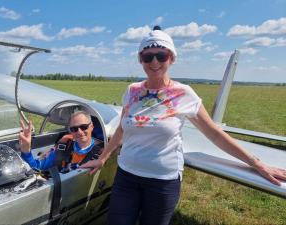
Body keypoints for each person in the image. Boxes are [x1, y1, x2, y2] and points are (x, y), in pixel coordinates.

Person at [80, 26, 286, 225]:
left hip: (162, 182)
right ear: (140, 59)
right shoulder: (132, 90)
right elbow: (122, 128)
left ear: (172, 58)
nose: (154, 62)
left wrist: (256, 163)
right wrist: (102, 158)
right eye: (147, 56)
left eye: (161, 56)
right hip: (126, 176)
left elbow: (214, 134)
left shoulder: (184, 94)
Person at [18, 111, 103, 172]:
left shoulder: (102, 153)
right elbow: (36, 167)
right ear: (70, 131)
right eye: (74, 129)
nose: (79, 132)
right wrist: (26, 150)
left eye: (84, 127)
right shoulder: (64, 146)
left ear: (91, 126)